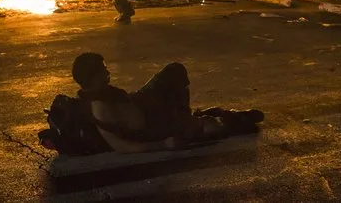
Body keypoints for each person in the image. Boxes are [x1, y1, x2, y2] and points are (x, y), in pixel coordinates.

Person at [69, 52, 264, 154]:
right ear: (93, 78)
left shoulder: (100, 91)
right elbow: (122, 147)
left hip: (143, 101)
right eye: (103, 70)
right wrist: (163, 145)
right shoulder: (99, 109)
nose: (108, 73)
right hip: (155, 125)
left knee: (175, 70)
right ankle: (234, 119)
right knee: (212, 127)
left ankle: (187, 117)